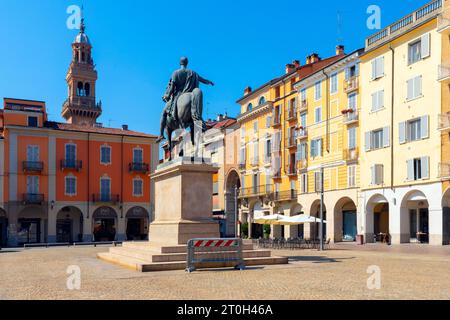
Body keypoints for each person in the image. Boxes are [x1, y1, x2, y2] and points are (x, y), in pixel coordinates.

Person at [156, 57, 214, 143]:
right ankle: (197, 124)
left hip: (178, 95)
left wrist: (167, 95)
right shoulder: (193, 73)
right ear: (187, 63)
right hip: (192, 94)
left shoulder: (176, 73)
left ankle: (161, 135)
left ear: (180, 63)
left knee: (163, 113)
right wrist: (209, 82)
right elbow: (202, 80)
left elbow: (172, 87)